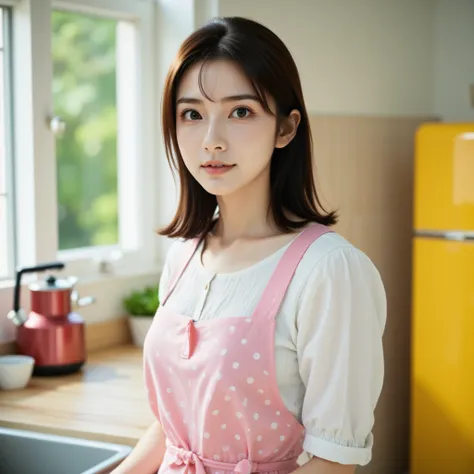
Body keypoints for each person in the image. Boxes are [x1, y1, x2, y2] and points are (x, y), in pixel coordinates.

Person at [112, 16, 386, 474]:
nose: (212, 140)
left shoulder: (330, 271)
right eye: (192, 114)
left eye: (241, 112)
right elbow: (167, 432)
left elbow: (333, 464)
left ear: (286, 128)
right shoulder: (183, 257)